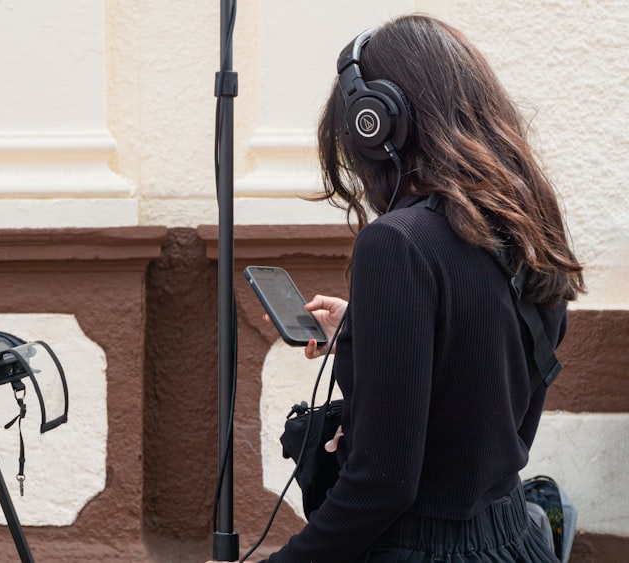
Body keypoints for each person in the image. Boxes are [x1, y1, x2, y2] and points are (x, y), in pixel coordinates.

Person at [211, 14, 584, 563]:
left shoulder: (397, 243)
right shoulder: (521, 220)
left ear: (377, 125)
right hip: (514, 539)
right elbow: (492, 376)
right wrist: (365, 333)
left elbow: (380, 488)